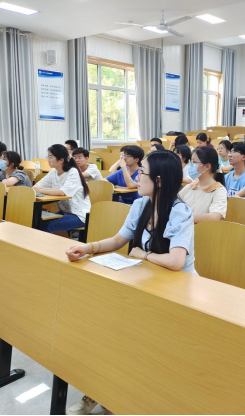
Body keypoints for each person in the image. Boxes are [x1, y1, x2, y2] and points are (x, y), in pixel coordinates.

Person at [65, 151, 196, 416]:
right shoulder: (140, 205)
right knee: (112, 333)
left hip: (179, 292)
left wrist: (143, 255)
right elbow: (118, 240)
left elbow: (176, 261)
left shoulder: (180, 212)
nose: (137, 178)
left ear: (159, 180)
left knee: (138, 342)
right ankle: (104, 392)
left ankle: (129, 398)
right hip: (148, 284)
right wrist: (87, 248)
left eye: (142, 172)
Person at [34, 145, 91, 233]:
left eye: (50, 157)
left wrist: (41, 190)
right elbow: (35, 187)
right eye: (48, 157)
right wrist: (43, 189)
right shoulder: (54, 172)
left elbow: (62, 192)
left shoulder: (73, 172)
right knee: (37, 221)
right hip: (65, 212)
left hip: (80, 215)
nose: (48, 160)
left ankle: (45, 243)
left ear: (61, 160)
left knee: (47, 224)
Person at [179, 147, 227, 223]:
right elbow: (174, 203)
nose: (190, 165)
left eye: (194, 162)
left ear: (207, 166)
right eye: (191, 161)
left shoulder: (219, 190)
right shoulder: (191, 186)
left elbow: (215, 217)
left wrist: (185, 218)